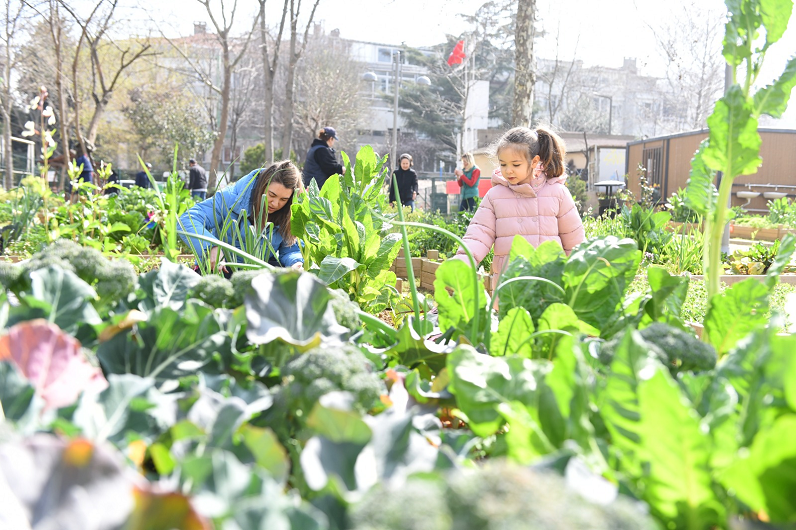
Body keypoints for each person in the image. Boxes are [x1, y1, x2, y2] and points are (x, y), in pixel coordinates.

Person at [454, 126, 585, 292]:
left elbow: (575, 242)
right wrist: (461, 263)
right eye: (503, 164)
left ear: (535, 162)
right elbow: (478, 236)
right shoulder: (495, 196)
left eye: (515, 164)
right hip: (510, 285)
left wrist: (577, 280)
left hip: (550, 284)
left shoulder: (557, 193)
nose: (508, 170)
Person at [178, 160, 304, 275]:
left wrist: (295, 263)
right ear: (262, 186)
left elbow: (290, 249)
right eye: (271, 195)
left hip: (258, 273)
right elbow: (188, 220)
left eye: (283, 199)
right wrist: (211, 247)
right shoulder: (232, 198)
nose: (275, 204)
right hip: (223, 269)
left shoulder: (287, 213)